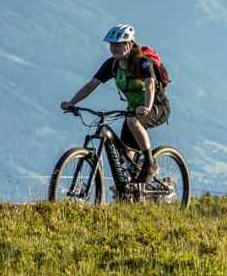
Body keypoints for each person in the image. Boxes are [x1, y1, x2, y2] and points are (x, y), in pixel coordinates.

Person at [61, 24, 169, 182]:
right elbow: (91, 85)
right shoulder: (112, 65)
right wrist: (71, 102)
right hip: (133, 111)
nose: (114, 48)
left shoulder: (143, 62)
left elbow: (150, 84)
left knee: (132, 121)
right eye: (112, 44)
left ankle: (150, 164)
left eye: (118, 44)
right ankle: (131, 187)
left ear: (129, 44)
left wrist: (146, 106)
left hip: (157, 107)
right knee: (126, 153)